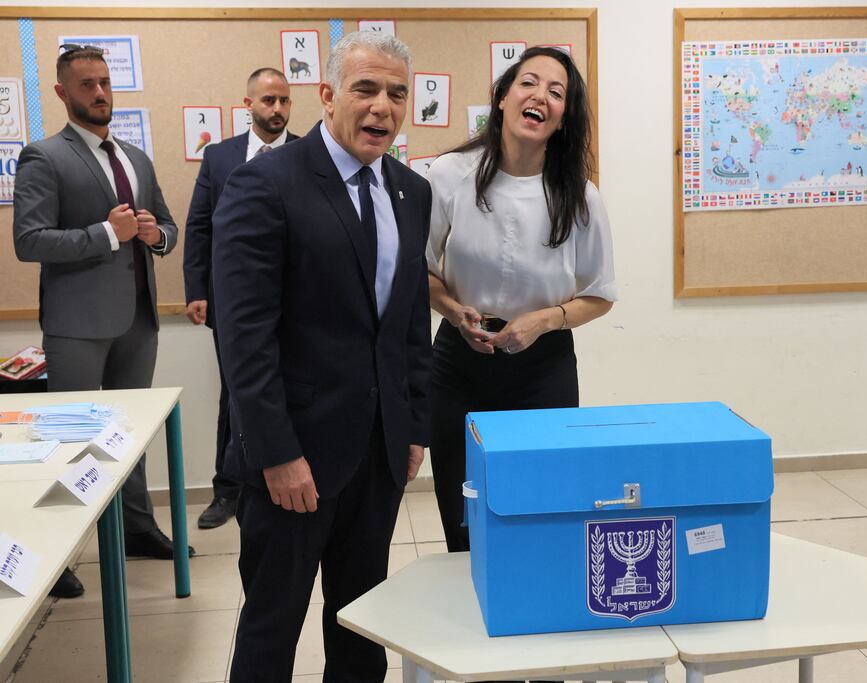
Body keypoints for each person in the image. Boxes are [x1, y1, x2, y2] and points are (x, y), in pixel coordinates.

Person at [213, 31, 431, 682]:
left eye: (397, 93)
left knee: (363, 623)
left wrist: (415, 422)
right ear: (329, 94)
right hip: (293, 462)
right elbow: (244, 338)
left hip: (379, 454)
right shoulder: (265, 185)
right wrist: (277, 451)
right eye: (365, 89)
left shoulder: (409, 192)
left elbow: (408, 321)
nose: (382, 107)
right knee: (272, 625)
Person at [13, 44, 193, 599]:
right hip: (77, 326)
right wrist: (106, 234)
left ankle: (137, 528)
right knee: (71, 445)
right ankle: (58, 554)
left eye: (105, 82)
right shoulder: (44, 156)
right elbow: (29, 241)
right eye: (87, 85)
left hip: (138, 318)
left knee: (129, 437)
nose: (99, 93)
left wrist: (153, 235)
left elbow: (166, 225)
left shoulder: (135, 157)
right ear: (64, 94)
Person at [427, 46, 617, 552]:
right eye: (529, 83)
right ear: (503, 97)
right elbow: (419, 270)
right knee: (461, 505)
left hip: (543, 367)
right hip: (458, 361)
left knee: (542, 503)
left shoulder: (580, 196)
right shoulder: (449, 174)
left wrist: (545, 320)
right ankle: (466, 607)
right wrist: (452, 310)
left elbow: (599, 296)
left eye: (557, 93)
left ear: (563, 118)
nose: (541, 97)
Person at [183, 67, 299, 530]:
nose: (277, 109)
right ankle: (227, 489)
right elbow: (199, 226)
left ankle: (286, 475)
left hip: (296, 305)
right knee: (236, 393)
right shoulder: (220, 156)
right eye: (268, 100)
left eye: (284, 101)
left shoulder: (309, 154)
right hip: (233, 304)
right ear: (248, 103)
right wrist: (196, 290)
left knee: (289, 389)